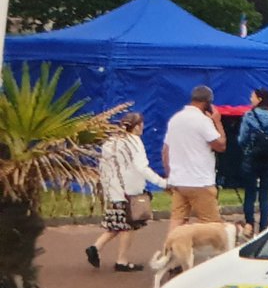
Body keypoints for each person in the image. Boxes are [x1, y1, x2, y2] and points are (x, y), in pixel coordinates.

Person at [85, 112, 165, 272]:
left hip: (113, 189)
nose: (143, 127)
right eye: (141, 124)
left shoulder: (110, 141)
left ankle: (95, 247)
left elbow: (103, 165)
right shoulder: (134, 142)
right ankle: (122, 261)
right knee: (129, 225)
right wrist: (161, 182)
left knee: (117, 224)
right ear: (136, 126)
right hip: (129, 190)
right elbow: (142, 167)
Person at [162, 85, 226, 230]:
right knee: (211, 224)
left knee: (177, 222)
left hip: (179, 181)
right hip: (200, 181)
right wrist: (217, 121)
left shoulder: (175, 119)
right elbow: (221, 145)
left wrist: (169, 174)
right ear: (208, 103)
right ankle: (212, 252)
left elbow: (165, 150)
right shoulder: (203, 121)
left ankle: (171, 249)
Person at [238, 88, 268, 237]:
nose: (250, 99)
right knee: (265, 195)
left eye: (252, 96)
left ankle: (249, 227)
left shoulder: (249, 116)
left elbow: (242, 139)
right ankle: (264, 228)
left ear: (259, 99)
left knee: (250, 194)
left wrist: (247, 149)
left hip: (252, 159)